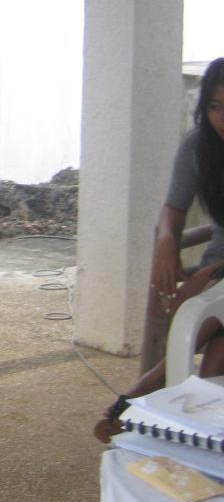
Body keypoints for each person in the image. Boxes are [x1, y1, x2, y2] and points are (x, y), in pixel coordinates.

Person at [94, 58, 224, 441]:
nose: (222, 118)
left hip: (216, 272)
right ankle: (200, 433)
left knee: (208, 328)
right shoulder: (199, 147)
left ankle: (133, 400)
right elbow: (173, 208)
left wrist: (207, 274)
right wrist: (167, 242)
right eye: (215, 107)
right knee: (216, 341)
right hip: (218, 264)